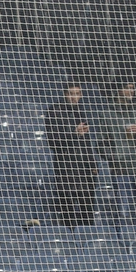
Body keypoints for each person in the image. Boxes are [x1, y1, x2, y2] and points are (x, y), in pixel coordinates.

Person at [99, 81, 136, 226]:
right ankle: (124, 238)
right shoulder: (106, 114)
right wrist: (115, 156)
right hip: (121, 168)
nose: (131, 91)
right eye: (127, 88)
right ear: (118, 90)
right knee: (123, 209)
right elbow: (100, 144)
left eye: (132, 89)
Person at [46, 82, 98, 228]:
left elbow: (86, 142)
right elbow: (53, 142)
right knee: (67, 211)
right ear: (65, 94)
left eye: (77, 94)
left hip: (85, 170)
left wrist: (93, 163)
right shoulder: (54, 112)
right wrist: (74, 134)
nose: (75, 97)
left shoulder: (81, 112)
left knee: (87, 212)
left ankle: (88, 240)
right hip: (66, 169)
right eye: (71, 94)